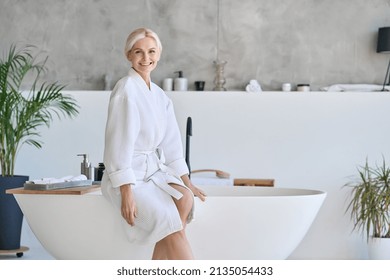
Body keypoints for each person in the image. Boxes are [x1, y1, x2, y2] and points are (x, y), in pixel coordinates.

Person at [101, 27, 206, 260]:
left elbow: (172, 143)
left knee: (185, 198)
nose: (146, 59)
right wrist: (126, 190)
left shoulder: (159, 96)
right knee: (168, 223)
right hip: (129, 176)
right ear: (128, 55)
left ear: (159, 54)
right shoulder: (126, 89)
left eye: (151, 51)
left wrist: (187, 182)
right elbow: (117, 144)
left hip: (152, 172)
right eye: (138, 52)